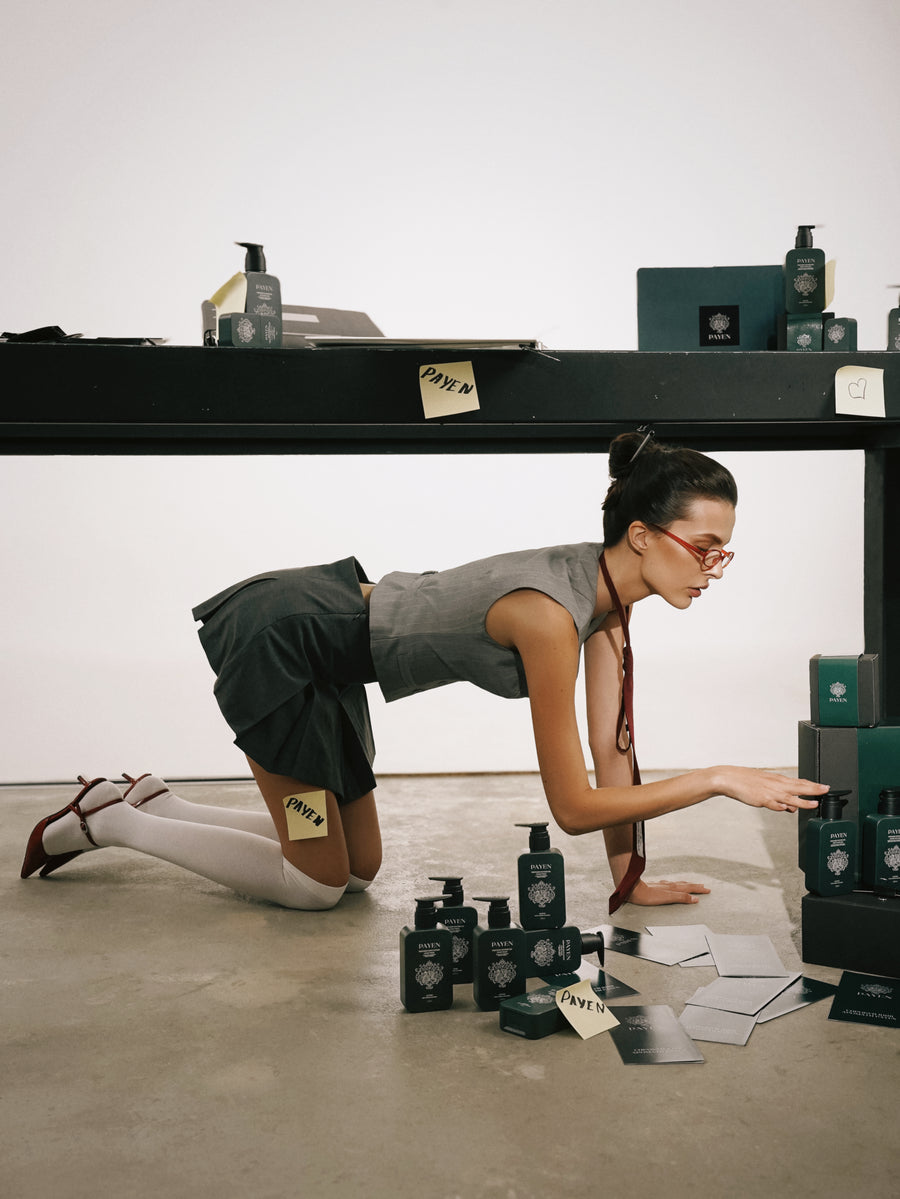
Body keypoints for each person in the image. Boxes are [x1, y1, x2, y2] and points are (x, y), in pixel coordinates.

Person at [20, 431, 828, 910]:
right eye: (705, 547)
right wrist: (716, 777)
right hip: (286, 643)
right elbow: (576, 804)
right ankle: (113, 820)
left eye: (726, 548)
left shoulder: (606, 601)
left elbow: (612, 755)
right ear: (646, 535)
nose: (716, 566)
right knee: (315, 885)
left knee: (358, 869)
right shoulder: (553, 615)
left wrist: (630, 882)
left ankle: (159, 799)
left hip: (336, 659)